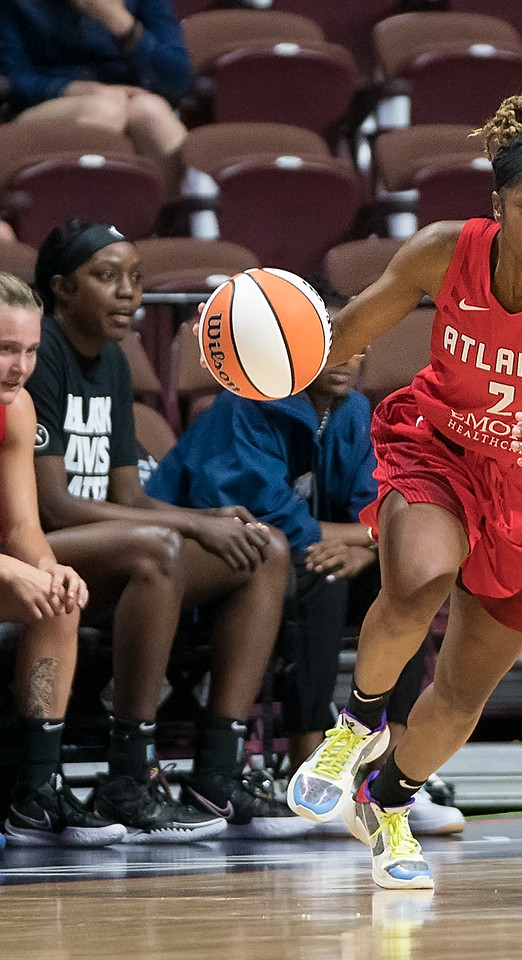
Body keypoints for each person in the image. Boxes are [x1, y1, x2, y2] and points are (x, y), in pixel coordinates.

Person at [284, 89, 522, 890]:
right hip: (439, 448)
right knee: (419, 579)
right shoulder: (443, 251)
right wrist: (273, 352)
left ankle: (388, 804)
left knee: (459, 692)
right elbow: (343, 338)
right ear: (498, 206)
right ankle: (355, 725)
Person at [26, 219, 309, 842]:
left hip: (101, 549)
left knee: (266, 547)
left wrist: (211, 519)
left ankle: (217, 771)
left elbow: (127, 495)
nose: (128, 293)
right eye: (107, 277)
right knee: (162, 548)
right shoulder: (41, 353)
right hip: (37, 549)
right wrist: (187, 523)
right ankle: (129, 774)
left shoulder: (116, 366)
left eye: (136, 278)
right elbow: (54, 506)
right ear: (61, 288)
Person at [144, 291, 465, 835]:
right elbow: (263, 511)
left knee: (405, 583)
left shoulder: (358, 412)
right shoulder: (250, 401)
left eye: (359, 346)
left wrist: (366, 546)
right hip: (216, 568)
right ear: (295, 347)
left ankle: (394, 777)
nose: (347, 358)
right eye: (333, 343)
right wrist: (360, 540)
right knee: (323, 575)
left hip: (307, 560)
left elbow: (378, 505)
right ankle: (309, 768)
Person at [0, 272, 126, 847]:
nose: (19, 367)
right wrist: (8, 569)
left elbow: (23, 524)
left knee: (58, 603)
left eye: (29, 351)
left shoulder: (17, 407)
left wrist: (48, 569)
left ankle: (35, 792)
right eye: (5, 350)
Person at [0, 0, 193, 200]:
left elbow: (178, 81)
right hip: (41, 105)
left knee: (151, 113)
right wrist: (76, 90)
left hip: (128, 99)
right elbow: (12, 80)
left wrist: (121, 23)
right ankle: (78, 223)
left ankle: (172, 221)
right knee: (103, 111)